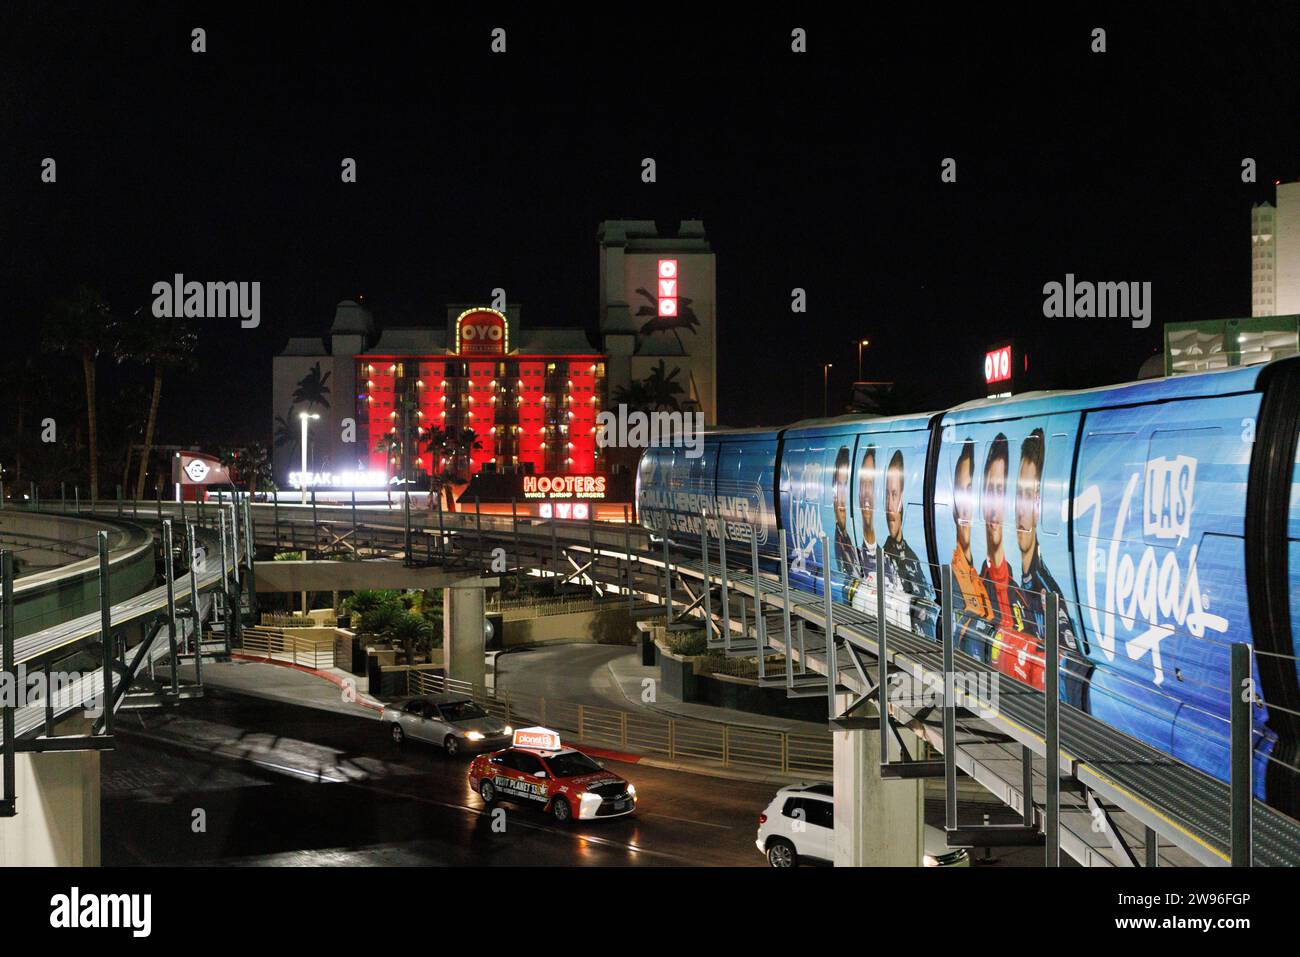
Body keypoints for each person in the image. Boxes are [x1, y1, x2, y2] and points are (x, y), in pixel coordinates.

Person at [1013, 429, 1090, 710]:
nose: (1022, 509)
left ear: (1039, 507)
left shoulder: (1049, 596)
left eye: (1030, 497)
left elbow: (1068, 671)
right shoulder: (1013, 578)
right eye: (1018, 494)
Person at [950, 439, 997, 662]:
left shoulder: (981, 575)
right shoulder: (951, 574)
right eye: (962, 493)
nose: (967, 507)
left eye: (971, 493)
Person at [883, 449, 935, 635]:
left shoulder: (913, 557)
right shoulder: (883, 557)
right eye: (887, 495)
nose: (890, 506)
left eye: (894, 495)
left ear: (904, 500)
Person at [832, 446, 861, 579]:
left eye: (846, 486)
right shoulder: (838, 545)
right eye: (838, 487)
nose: (842, 497)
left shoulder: (849, 540)